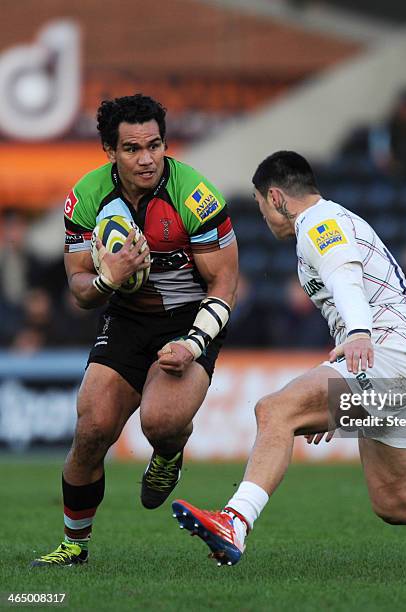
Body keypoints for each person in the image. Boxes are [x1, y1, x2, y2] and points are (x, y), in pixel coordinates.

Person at [171, 151, 406, 573]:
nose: (263, 214)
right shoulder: (335, 220)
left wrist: (358, 333)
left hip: (387, 357)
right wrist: (335, 393)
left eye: (262, 203)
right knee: (397, 500)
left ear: (277, 196)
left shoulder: (319, 224)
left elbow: (345, 277)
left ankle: (235, 522)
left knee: (275, 410)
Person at [31, 94, 238, 566]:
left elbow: (224, 282)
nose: (146, 159)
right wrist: (109, 278)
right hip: (126, 318)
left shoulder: (195, 195)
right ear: (109, 151)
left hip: (189, 319)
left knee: (161, 423)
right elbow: (81, 289)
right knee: (91, 430)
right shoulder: (85, 197)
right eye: (131, 148)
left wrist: (193, 343)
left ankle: (169, 452)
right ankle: (73, 545)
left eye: (155, 145)